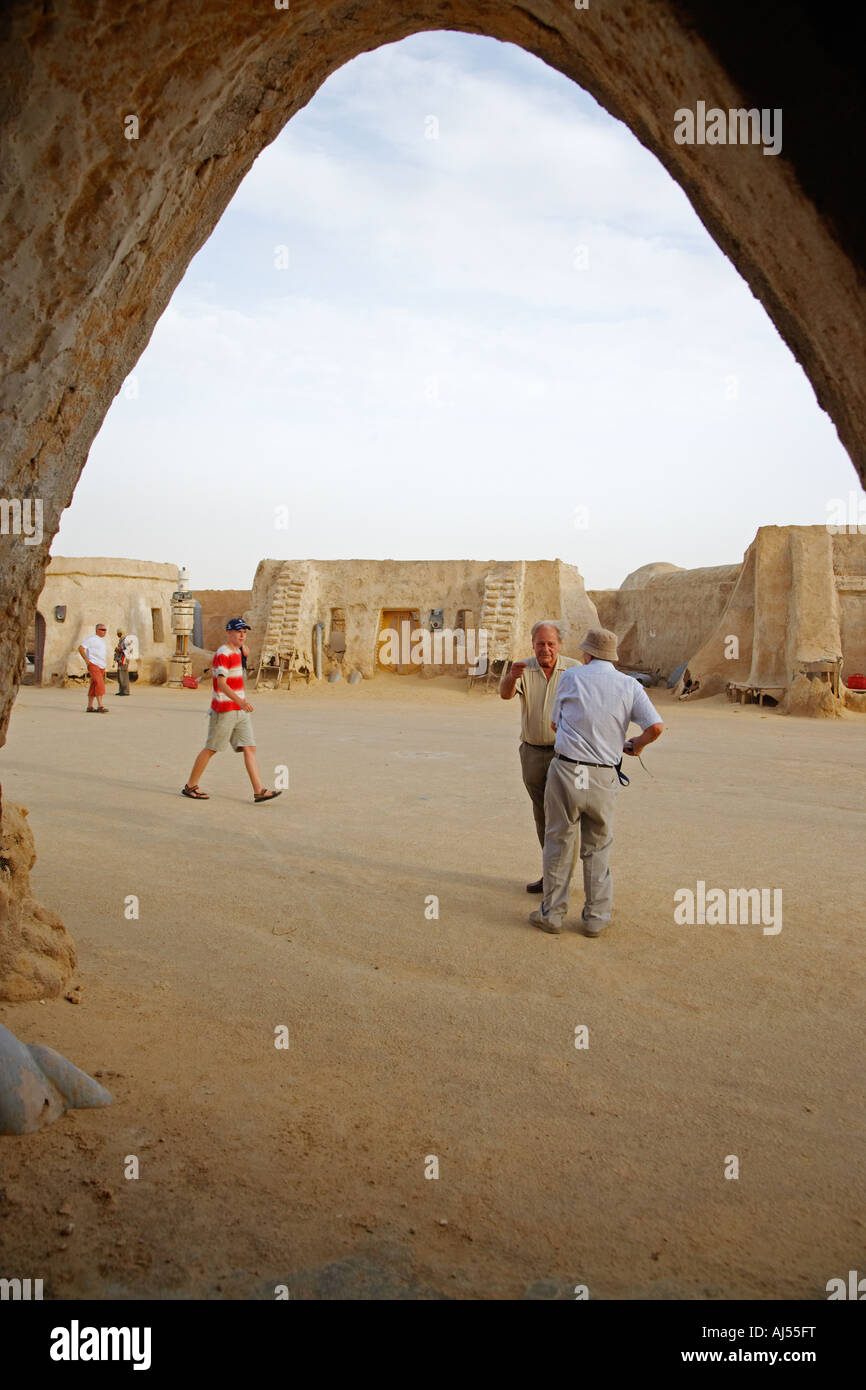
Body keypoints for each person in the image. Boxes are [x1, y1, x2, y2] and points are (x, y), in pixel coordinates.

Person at [529, 627, 663, 937]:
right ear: (612, 656)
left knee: (558, 842)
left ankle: (552, 914)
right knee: (598, 846)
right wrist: (636, 745)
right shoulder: (629, 685)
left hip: (567, 770)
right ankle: (596, 918)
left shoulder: (573, 677)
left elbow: (553, 722)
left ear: (588, 654)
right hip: (603, 774)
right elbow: (655, 727)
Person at [499, 620, 580, 892]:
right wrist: (511, 677)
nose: (545, 649)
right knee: (542, 814)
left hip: (566, 756)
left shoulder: (575, 670)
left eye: (550, 644)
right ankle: (551, 875)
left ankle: (563, 878)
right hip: (533, 754)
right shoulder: (522, 668)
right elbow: (505, 695)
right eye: (540, 644)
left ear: (559, 645)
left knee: (566, 816)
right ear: (532, 644)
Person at [181, 618, 282, 803]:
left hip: (239, 711)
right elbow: (221, 683)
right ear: (229, 632)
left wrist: (243, 653)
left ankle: (259, 790)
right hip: (225, 709)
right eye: (238, 631)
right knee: (211, 748)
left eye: (245, 632)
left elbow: (241, 660)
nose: (242, 635)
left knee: (249, 747)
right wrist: (241, 702)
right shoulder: (223, 653)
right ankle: (190, 786)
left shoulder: (237, 651)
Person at [78, 622, 109, 713]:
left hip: (101, 666)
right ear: (97, 630)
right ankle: (100, 706)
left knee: (94, 685)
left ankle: (90, 706)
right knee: (100, 684)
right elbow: (81, 648)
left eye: (105, 630)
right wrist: (87, 661)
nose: (104, 631)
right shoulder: (91, 638)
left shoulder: (102, 640)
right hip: (93, 664)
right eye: (102, 629)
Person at [114, 629, 133, 696]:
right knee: (120, 676)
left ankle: (126, 691)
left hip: (124, 660)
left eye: (118, 633)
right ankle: (121, 690)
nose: (117, 635)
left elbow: (129, 650)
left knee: (124, 675)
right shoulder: (121, 640)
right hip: (120, 659)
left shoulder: (126, 640)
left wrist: (120, 650)